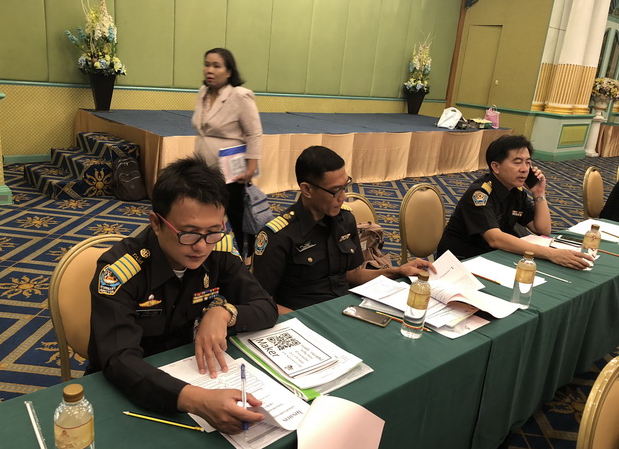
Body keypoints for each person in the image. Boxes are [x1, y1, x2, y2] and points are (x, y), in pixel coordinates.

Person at [87, 158, 278, 434]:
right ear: (156, 223)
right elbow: (119, 360)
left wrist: (224, 313)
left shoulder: (219, 252)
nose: (201, 247)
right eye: (188, 234)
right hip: (129, 388)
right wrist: (197, 400)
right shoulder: (121, 271)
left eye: (213, 232)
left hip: (194, 372)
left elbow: (266, 308)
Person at [252, 145, 435, 314]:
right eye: (335, 190)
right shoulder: (279, 236)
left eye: (345, 186)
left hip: (346, 309)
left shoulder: (345, 220)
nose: (343, 197)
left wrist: (395, 271)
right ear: (307, 190)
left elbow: (352, 274)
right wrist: (305, 321)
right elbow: (260, 301)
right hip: (305, 317)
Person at [437, 134, 593, 269]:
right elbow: (495, 239)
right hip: (461, 261)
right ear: (496, 167)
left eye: (528, 162)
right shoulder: (479, 194)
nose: (524, 169)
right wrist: (551, 254)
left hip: (491, 256)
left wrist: (539, 193)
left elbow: (542, 229)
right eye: (517, 162)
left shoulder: (516, 191)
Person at [192, 47, 263, 258]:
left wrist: (251, 168)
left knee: (237, 217)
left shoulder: (239, 96)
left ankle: (249, 258)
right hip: (204, 169)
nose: (210, 70)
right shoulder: (203, 93)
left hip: (231, 171)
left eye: (217, 66)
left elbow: (254, 133)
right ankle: (205, 254)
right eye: (207, 65)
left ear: (229, 71)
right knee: (204, 216)